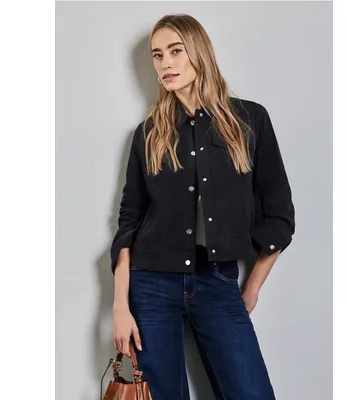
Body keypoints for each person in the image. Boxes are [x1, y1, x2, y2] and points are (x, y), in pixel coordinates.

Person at [110, 13, 295, 400]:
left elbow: (280, 217)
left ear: (199, 52)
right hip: (151, 286)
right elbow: (129, 220)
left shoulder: (249, 120)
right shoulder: (149, 133)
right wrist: (119, 306)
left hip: (218, 283)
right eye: (157, 55)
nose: (165, 63)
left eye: (175, 51)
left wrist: (251, 289)